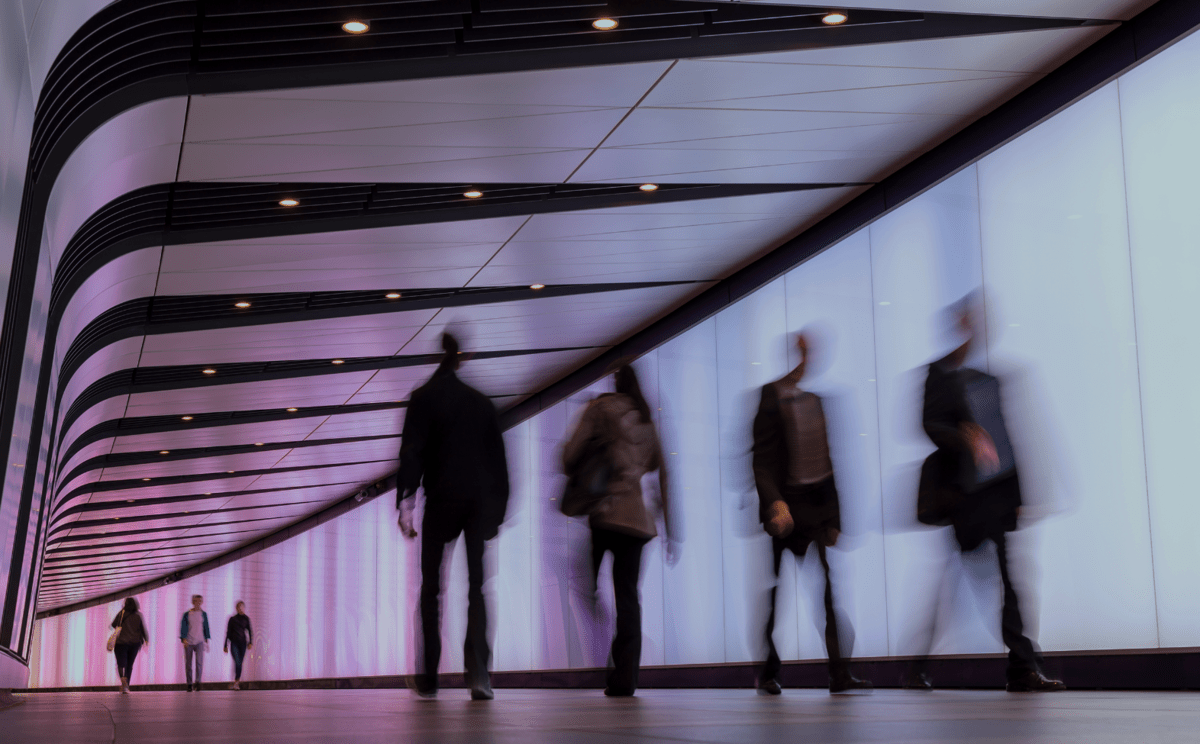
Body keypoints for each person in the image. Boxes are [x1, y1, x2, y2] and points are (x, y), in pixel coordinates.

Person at [905, 296, 1064, 693]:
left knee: (1009, 580)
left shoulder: (989, 380)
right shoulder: (938, 374)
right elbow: (928, 424)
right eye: (969, 321)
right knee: (959, 583)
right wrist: (962, 435)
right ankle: (918, 662)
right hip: (962, 497)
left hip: (995, 494)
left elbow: (1008, 440)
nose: (977, 329)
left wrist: (1021, 493)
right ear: (959, 326)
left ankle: (1023, 667)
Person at [751, 331, 871, 695]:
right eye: (804, 351)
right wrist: (774, 502)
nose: (809, 358)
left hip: (814, 510)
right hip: (783, 511)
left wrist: (835, 520)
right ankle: (769, 673)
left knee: (828, 593)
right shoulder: (770, 396)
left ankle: (839, 673)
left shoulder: (817, 401)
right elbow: (762, 460)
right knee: (776, 593)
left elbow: (828, 463)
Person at [397, 331, 510, 701]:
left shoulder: (422, 398)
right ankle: (478, 672)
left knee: (432, 589)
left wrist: (406, 505)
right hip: (477, 503)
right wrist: (498, 511)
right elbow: (498, 461)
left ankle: (428, 676)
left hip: (441, 500)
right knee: (477, 587)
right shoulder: (481, 402)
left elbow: (411, 453)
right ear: (464, 357)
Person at [562, 363, 676, 697]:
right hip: (638, 521)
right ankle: (625, 677)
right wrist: (671, 528)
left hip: (605, 515)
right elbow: (661, 471)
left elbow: (568, 457)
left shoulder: (598, 409)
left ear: (614, 381)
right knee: (628, 597)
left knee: (586, 583)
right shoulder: (646, 418)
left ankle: (598, 628)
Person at [111, 597, 148, 694]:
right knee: (129, 665)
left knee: (121, 663)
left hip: (121, 643)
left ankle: (123, 679)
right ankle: (126, 686)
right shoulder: (139, 615)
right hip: (135, 643)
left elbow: (114, 624)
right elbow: (143, 629)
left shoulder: (121, 614)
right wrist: (146, 640)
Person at [179, 594, 210, 691]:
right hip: (189, 641)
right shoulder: (187, 614)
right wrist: (183, 639)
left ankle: (198, 682)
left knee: (199, 663)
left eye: (200, 601)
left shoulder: (203, 614)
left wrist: (206, 639)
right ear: (193, 602)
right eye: (196, 601)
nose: (198, 603)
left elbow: (206, 626)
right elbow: (183, 626)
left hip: (200, 641)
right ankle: (189, 684)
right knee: (188, 663)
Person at [224, 601, 253, 690]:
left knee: (240, 663)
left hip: (243, 643)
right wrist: (225, 645)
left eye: (241, 607)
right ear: (236, 608)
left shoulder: (246, 619)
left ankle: (236, 682)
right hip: (234, 643)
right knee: (238, 661)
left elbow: (250, 631)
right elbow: (228, 632)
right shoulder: (232, 619)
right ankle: (236, 681)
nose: (240, 608)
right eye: (238, 607)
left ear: (244, 608)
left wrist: (250, 642)